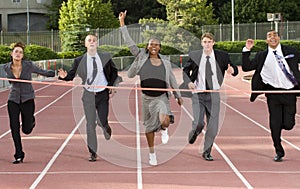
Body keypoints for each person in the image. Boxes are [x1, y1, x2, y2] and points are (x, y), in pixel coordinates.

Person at [119, 11, 183, 166]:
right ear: (147, 47)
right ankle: (152, 154)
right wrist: (122, 23)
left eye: (156, 44)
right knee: (148, 129)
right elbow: (129, 42)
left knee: (165, 120)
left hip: (161, 97)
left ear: (160, 48)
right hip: (146, 98)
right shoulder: (141, 56)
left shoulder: (166, 62)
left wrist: (178, 95)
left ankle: (164, 128)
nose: (153, 46)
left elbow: (173, 80)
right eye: (151, 44)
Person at [58, 34, 118, 162]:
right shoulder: (79, 61)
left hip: (102, 94)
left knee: (101, 121)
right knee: (90, 125)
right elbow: (71, 75)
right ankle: (92, 152)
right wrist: (64, 77)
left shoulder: (105, 57)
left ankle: (106, 127)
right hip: (88, 96)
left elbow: (114, 72)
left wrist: (111, 85)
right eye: (89, 40)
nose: (92, 42)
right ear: (85, 44)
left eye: (94, 40)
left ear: (97, 43)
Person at [242, 30, 300, 162]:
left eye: (275, 35)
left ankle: (281, 125)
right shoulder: (261, 55)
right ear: (266, 40)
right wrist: (247, 50)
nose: (272, 38)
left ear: (279, 38)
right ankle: (278, 150)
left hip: (289, 91)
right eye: (269, 36)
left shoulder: (291, 51)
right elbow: (246, 67)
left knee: (289, 124)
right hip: (272, 93)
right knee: (274, 123)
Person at [182, 32, 238, 161]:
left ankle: (207, 151)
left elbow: (234, 69)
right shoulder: (195, 55)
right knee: (199, 123)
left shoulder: (222, 56)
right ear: (202, 43)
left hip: (214, 95)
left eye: (209, 42)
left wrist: (232, 71)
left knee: (212, 127)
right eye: (205, 42)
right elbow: (185, 70)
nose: (207, 44)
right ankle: (194, 132)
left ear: (213, 43)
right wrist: (189, 82)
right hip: (198, 93)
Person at [3, 42, 55, 164]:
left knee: (26, 130)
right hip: (13, 99)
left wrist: (56, 74)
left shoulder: (28, 65)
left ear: (23, 55)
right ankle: (19, 154)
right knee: (14, 128)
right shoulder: (6, 67)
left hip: (27, 99)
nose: (18, 54)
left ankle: (31, 121)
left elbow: (42, 71)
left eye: (20, 52)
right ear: (11, 54)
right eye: (16, 51)